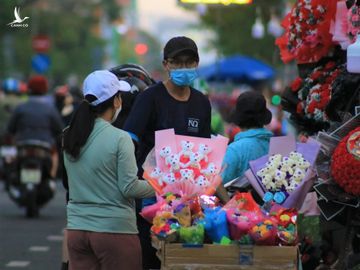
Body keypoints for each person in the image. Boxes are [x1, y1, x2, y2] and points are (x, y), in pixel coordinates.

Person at [123, 36, 213, 270]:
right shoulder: (150, 98)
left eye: (189, 62)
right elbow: (127, 140)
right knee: (151, 256)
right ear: (166, 65)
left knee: (183, 257)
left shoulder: (202, 103)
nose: (183, 68)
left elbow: (205, 154)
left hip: (187, 198)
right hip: (151, 195)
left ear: (197, 64)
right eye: (177, 62)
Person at [62, 70, 155, 270]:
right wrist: (162, 186)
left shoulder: (69, 135)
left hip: (77, 231)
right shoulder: (120, 139)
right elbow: (129, 187)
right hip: (114, 232)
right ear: (115, 101)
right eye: (119, 96)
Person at [7, 75, 64, 178]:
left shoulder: (20, 107)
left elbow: (11, 128)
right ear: (45, 89)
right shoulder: (50, 108)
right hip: (45, 146)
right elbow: (59, 129)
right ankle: (51, 178)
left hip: (22, 144)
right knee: (55, 154)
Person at [221, 91, 273, 186]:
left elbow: (219, 183)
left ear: (239, 119)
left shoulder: (235, 149)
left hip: (241, 200)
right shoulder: (275, 145)